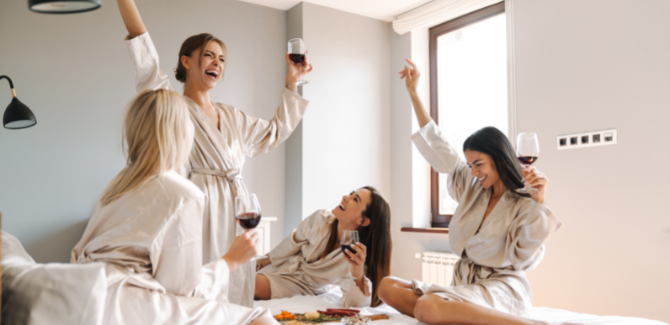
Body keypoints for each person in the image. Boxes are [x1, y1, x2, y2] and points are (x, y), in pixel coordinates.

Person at [115, 0, 313, 307]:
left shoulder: (232, 115)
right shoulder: (172, 105)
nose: (217, 63)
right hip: (199, 206)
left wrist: (293, 81)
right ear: (186, 61)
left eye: (222, 59)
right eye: (208, 55)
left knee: (237, 285)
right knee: (201, 284)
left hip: (239, 211)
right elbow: (145, 54)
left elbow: (275, 131)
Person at [377, 59, 572, 325]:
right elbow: (438, 144)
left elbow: (524, 259)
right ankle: (456, 311)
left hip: (501, 288)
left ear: (499, 158)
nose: (474, 172)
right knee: (387, 286)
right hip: (466, 284)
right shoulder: (471, 187)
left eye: (479, 164)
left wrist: (538, 202)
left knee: (427, 307)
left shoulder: (523, 201)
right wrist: (413, 92)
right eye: (470, 165)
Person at [71, 89, 278, 325]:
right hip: (128, 307)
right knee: (259, 316)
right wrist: (231, 260)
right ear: (182, 133)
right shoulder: (182, 194)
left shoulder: (117, 185)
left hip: (87, 295)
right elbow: (185, 294)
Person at [254, 187, 392, 308]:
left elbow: (354, 304)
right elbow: (293, 242)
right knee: (240, 276)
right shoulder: (321, 219)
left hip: (301, 286)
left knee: (249, 285)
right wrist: (267, 259)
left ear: (363, 220)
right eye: (351, 194)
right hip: (285, 264)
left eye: (355, 199)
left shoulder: (356, 255)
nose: (345, 197)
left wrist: (357, 273)